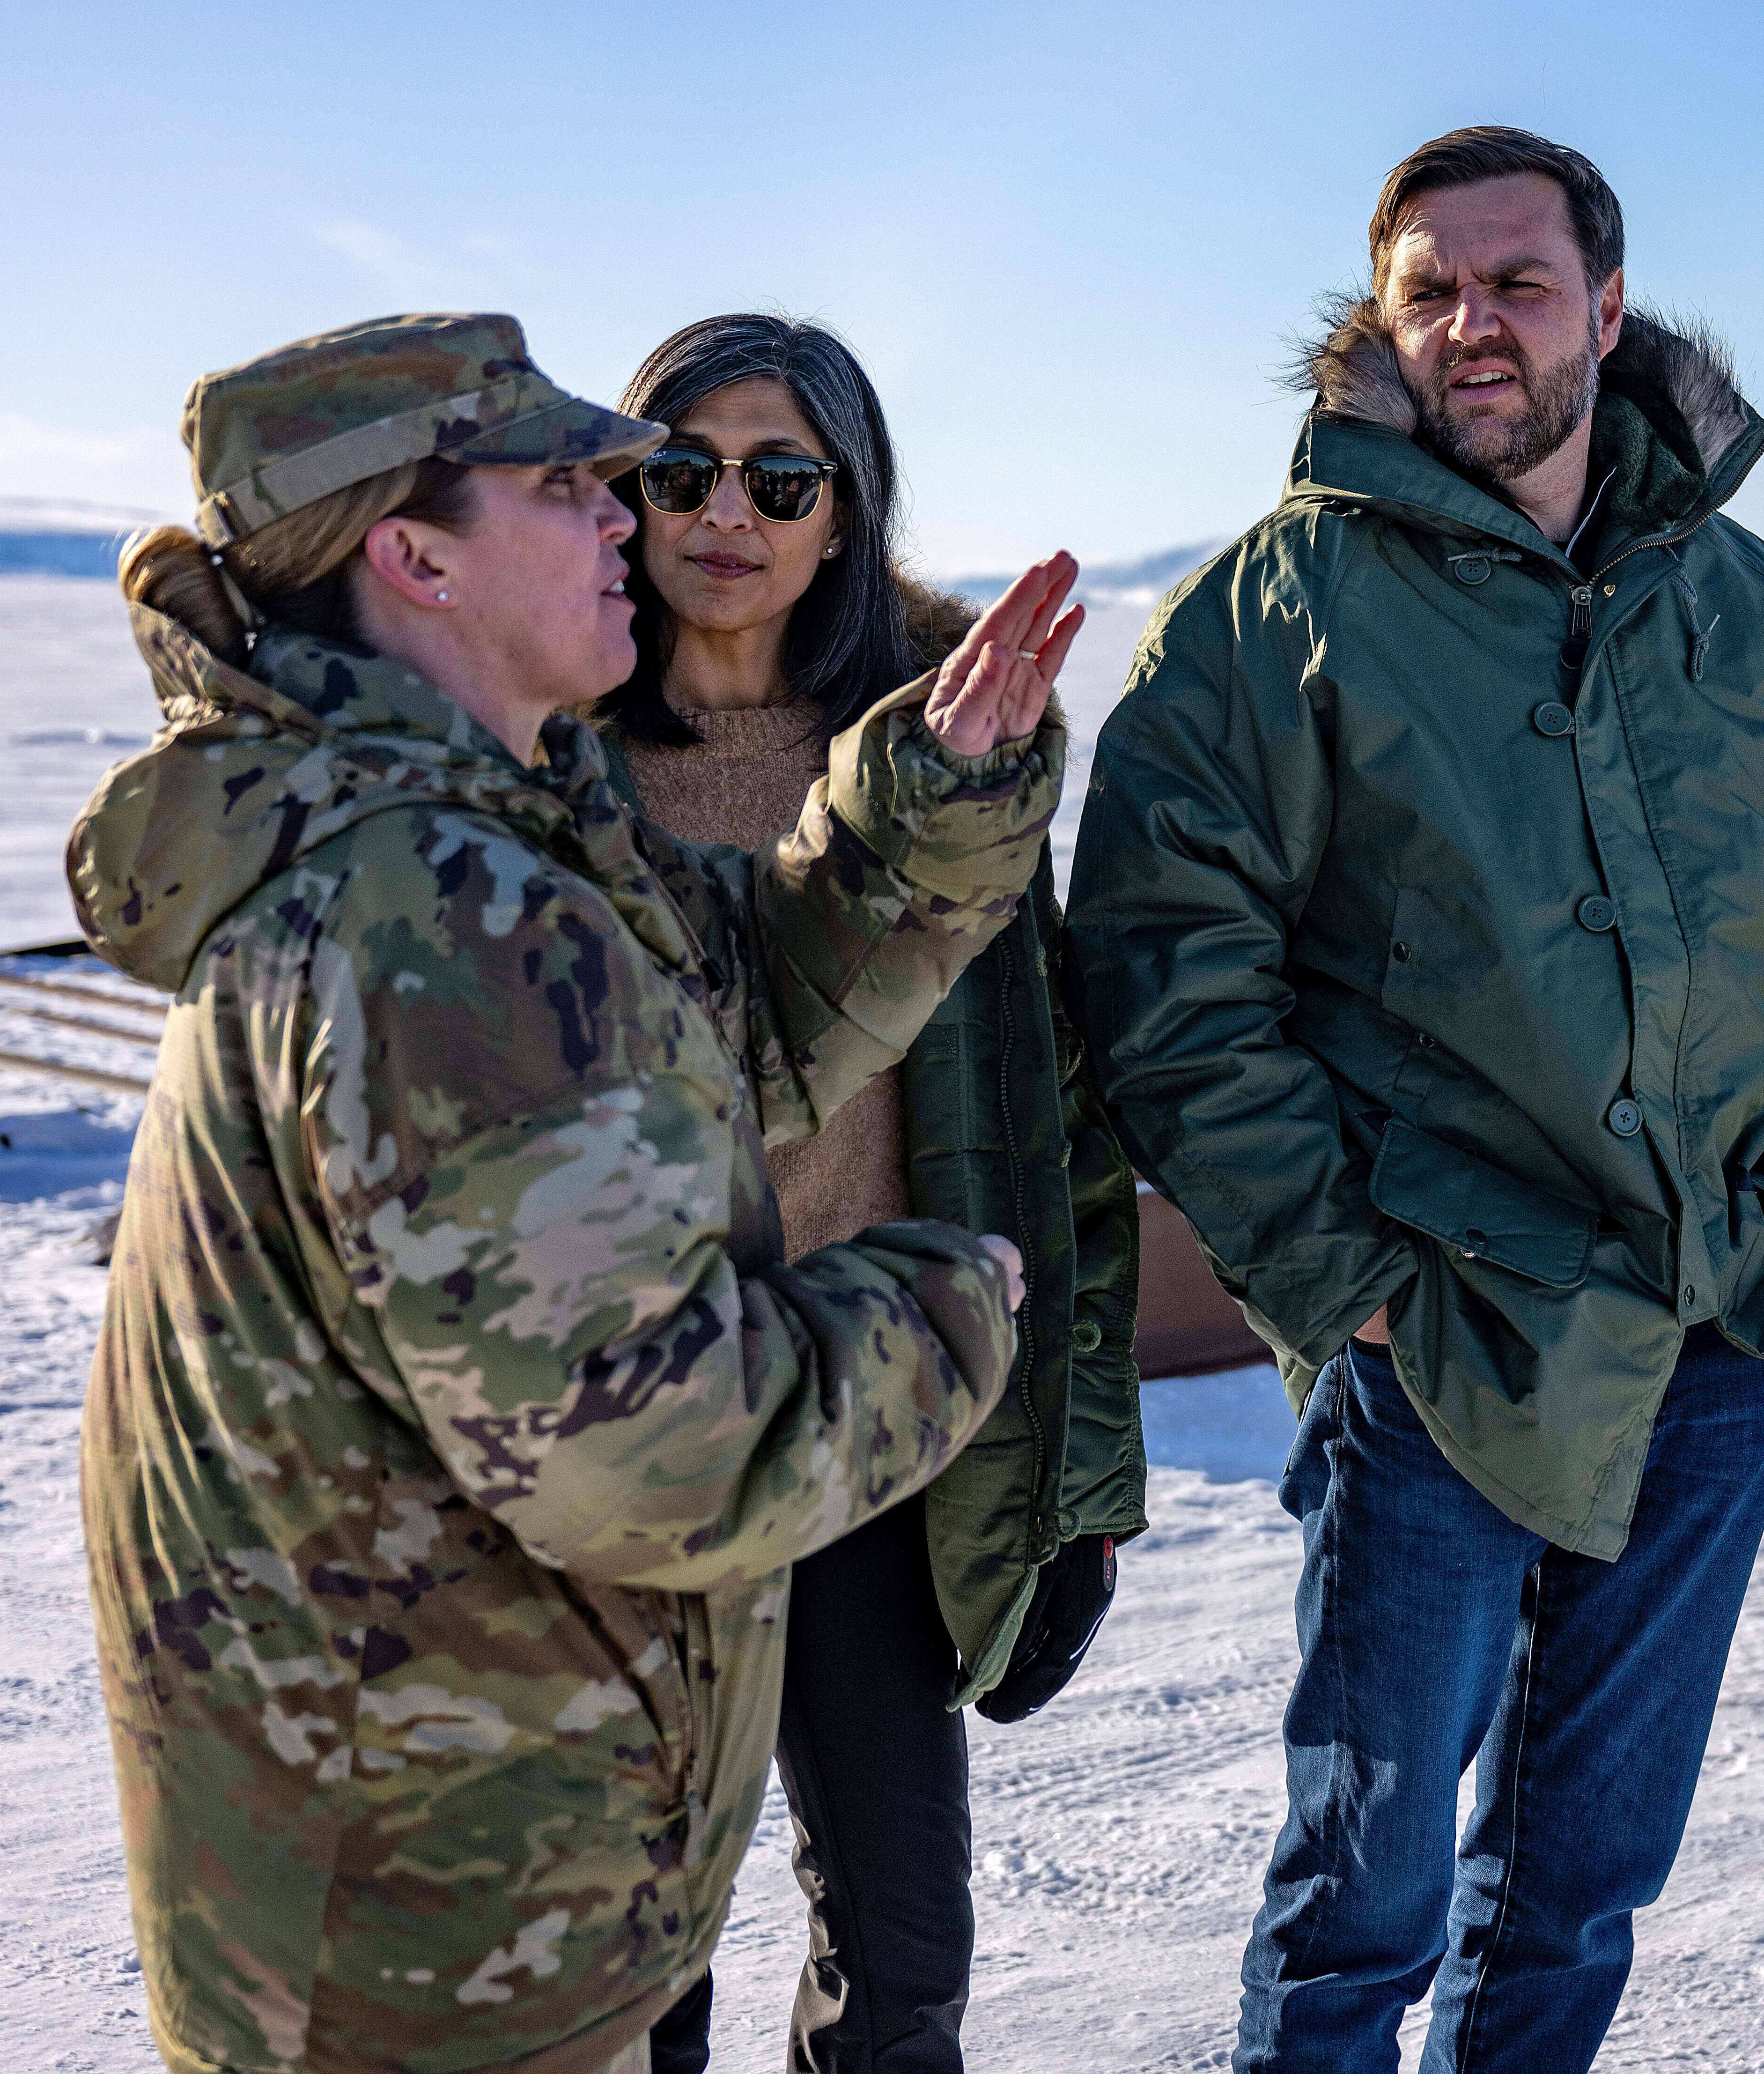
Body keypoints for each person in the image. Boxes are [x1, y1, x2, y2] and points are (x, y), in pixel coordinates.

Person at [70, 311, 1083, 2074]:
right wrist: (945, 1311)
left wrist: (922, 812)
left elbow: (743, 1014)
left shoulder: (473, 834)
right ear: (416, 558)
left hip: (455, 1851)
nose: (636, 516)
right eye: (576, 484)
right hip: (440, 1925)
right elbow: (657, 1449)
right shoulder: (437, 917)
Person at [1064, 127, 1764, 2070]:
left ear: (1606, 317)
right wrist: (1337, 1270)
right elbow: (1167, 971)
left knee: (1585, 1881)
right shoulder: (1270, 614)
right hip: (1442, 1331)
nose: (1473, 326)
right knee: (1361, 1902)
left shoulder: (1745, 601)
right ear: (1381, 319)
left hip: (1716, 1313)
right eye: (1429, 289)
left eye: (1517, 285)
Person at [591, 313, 1144, 2074]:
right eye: (681, 468)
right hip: (629, 1441)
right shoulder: (554, 765)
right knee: (628, 1967)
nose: (725, 513)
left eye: (780, 475)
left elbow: (1050, 1126)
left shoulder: (942, 773)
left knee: (904, 1950)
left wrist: (1084, 1467)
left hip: (872, 1417)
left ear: (845, 512)